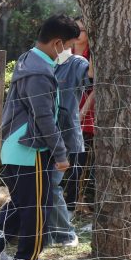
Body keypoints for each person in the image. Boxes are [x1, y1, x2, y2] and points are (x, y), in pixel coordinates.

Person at [0, 15, 78, 260]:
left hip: (16, 147)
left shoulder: (29, 59)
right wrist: (60, 153)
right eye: (69, 46)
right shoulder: (40, 72)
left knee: (21, 203)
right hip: (28, 150)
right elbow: (44, 119)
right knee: (36, 206)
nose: (70, 52)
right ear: (57, 43)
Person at [46, 43, 89, 247]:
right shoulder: (42, 61)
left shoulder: (77, 63)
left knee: (52, 184)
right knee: (37, 184)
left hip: (64, 137)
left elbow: (92, 77)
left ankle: (65, 234)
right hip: (39, 135)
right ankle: (43, 232)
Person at [72, 17, 94, 216]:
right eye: (76, 29)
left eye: (83, 30)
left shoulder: (92, 55)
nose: (78, 33)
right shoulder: (64, 51)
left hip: (86, 116)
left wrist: (84, 110)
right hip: (66, 111)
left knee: (83, 159)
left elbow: (96, 86)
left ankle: (80, 199)